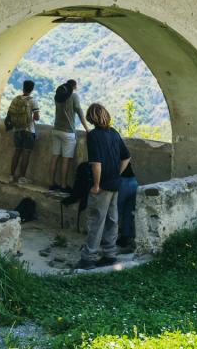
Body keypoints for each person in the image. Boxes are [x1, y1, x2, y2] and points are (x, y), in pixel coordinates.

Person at [78, 103, 131, 270]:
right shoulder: (114, 133)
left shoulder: (93, 136)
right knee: (112, 220)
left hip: (103, 186)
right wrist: (117, 173)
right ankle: (110, 254)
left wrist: (96, 184)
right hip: (115, 183)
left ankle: (88, 257)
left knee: (96, 221)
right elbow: (126, 157)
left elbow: (96, 164)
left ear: (91, 118)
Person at [49, 79, 89, 192]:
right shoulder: (74, 96)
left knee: (55, 158)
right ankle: (63, 186)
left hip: (56, 129)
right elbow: (80, 113)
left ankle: (51, 183)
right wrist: (87, 129)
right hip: (68, 132)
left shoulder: (58, 96)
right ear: (74, 86)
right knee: (65, 160)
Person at [7, 80, 40, 185]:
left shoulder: (16, 99)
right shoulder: (33, 101)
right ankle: (22, 178)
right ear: (32, 89)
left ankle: (11, 176)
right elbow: (37, 117)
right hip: (28, 130)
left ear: (23, 88)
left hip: (17, 130)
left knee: (17, 152)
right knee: (26, 154)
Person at [116, 162, 139, 250]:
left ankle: (110, 240)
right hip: (133, 182)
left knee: (116, 212)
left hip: (122, 183)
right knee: (128, 213)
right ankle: (125, 238)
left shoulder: (109, 150)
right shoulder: (121, 149)